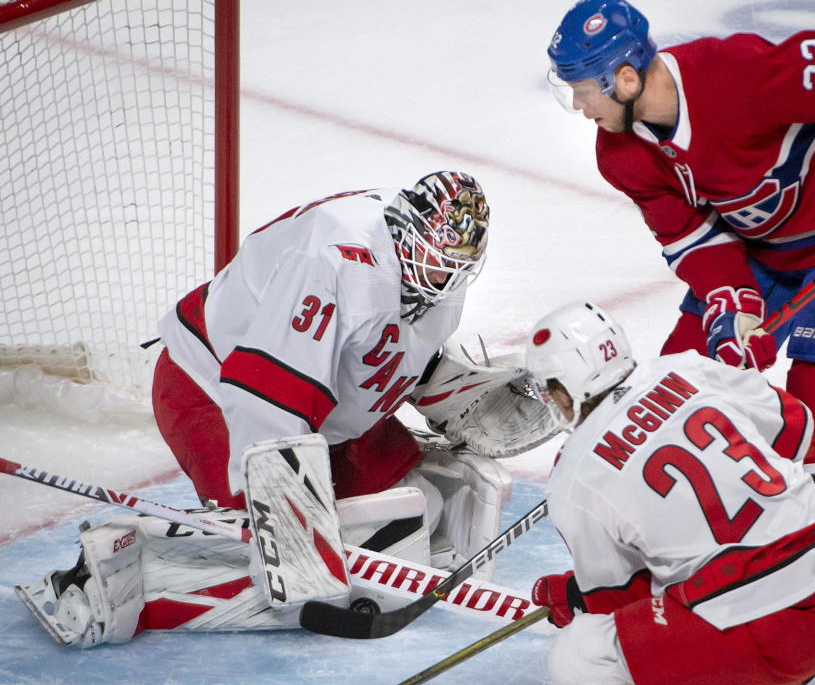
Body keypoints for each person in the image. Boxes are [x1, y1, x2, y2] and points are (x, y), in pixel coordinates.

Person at [15, 171, 555, 648]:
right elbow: (266, 396)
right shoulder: (333, 262)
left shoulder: (434, 272)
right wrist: (291, 519)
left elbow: (389, 352)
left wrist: (455, 390)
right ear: (402, 230)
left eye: (454, 268)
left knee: (408, 504)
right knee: (289, 563)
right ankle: (110, 579)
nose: (440, 278)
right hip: (212, 391)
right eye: (433, 262)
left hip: (318, 404)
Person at [546, 0, 815, 530]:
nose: (578, 106)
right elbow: (692, 237)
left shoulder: (735, 75)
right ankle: (691, 550)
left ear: (625, 80)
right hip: (756, 249)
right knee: (676, 398)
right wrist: (730, 301)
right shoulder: (619, 154)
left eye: (580, 90)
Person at [526, 301, 815, 685]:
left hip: (776, 631)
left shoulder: (573, 475)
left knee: (583, 652)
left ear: (565, 389)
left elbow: (621, 602)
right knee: (760, 565)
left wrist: (582, 599)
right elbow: (795, 427)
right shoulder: (685, 367)